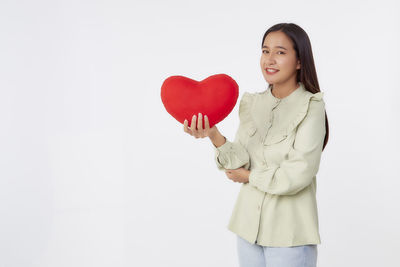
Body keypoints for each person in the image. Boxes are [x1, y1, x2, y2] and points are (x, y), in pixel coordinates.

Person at [183, 22, 329, 267]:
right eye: (265, 51)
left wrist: (249, 176)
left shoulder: (311, 106)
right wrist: (213, 134)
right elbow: (241, 161)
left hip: (289, 235)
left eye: (280, 52)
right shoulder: (252, 103)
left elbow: (298, 174)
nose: (269, 59)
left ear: (299, 61)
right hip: (248, 229)